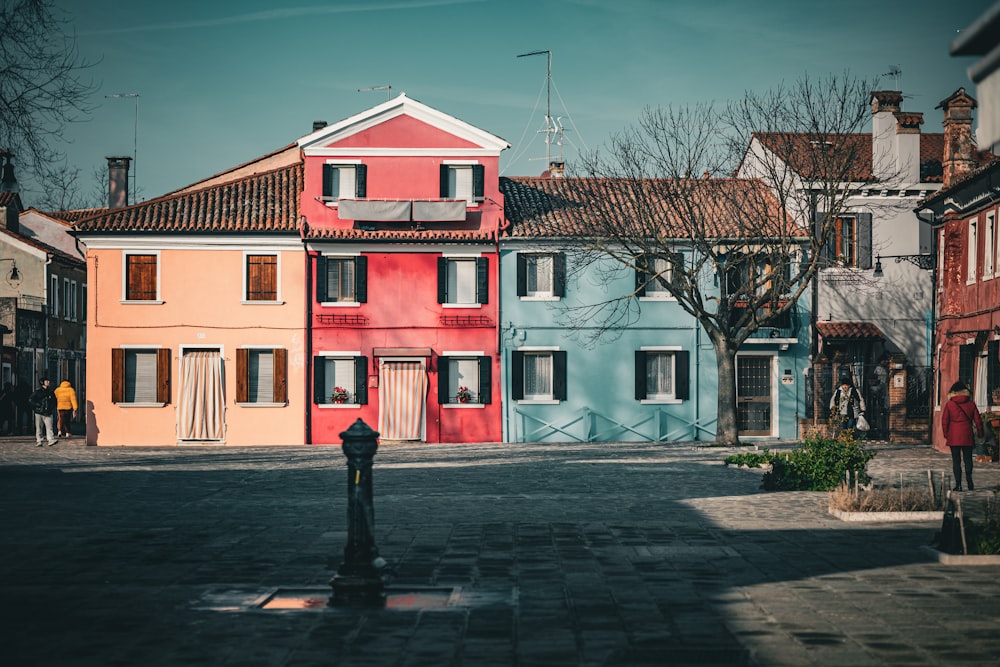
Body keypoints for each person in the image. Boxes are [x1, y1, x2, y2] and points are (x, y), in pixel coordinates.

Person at [941, 380, 984, 491]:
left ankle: (958, 484)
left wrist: (946, 434)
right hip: (967, 434)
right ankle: (970, 482)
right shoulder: (971, 404)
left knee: (956, 461)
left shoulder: (950, 404)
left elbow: (945, 421)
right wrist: (980, 433)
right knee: (968, 459)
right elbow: (978, 420)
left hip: (954, 435)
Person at [28, 377, 58, 447]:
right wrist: (37, 405)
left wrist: (52, 407)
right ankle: (39, 440)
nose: (48, 382)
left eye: (48, 380)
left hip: (48, 412)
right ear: (42, 383)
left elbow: (54, 401)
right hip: (39, 412)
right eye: (46, 381)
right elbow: (30, 400)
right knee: (39, 427)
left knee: (49, 426)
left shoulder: (51, 392)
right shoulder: (37, 392)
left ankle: (50, 439)